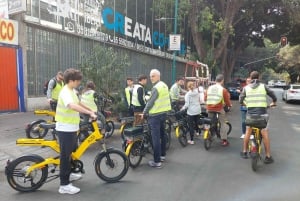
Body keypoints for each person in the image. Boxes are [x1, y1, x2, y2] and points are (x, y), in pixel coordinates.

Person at [55, 68, 97, 194]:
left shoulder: (72, 90)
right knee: (65, 156)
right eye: (78, 81)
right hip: (65, 129)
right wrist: (89, 112)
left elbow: (78, 103)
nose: (79, 83)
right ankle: (64, 185)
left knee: (72, 153)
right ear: (71, 81)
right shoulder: (65, 92)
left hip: (72, 128)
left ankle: (70, 173)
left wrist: (91, 110)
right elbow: (72, 105)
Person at [239, 71, 277, 163]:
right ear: (259, 77)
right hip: (262, 115)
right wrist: (273, 102)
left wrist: (246, 104)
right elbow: (273, 95)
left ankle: (244, 151)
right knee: (265, 133)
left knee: (248, 131)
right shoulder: (263, 86)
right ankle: (268, 156)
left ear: (250, 78)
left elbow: (240, 100)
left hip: (250, 115)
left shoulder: (246, 88)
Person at [141, 69, 171, 168]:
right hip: (163, 114)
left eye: (153, 76)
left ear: (158, 76)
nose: (151, 78)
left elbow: (150, 103)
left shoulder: (156, 88)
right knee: (162, 135)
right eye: (150, 76)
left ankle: (157, 161)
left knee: (156, 138)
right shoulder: (164, 85)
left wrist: (144, 113)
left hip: (154, 116)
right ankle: (162, 155)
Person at [204, 74, 232, 146]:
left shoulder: (209, 88)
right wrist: (229, 105)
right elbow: (227, 100)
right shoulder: (223, 90)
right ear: (222, 81)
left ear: (215, 80)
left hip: (209, 108)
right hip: (219, 108)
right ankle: (224, 140)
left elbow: (205, 98)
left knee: (210, 122)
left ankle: (210, 133)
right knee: (223, 123)